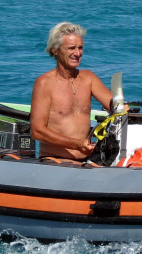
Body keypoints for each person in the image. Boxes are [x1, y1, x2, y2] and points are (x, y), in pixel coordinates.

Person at [31, 22, 112, 160]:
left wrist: (122, 107)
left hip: (87, 160)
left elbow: (117, 107)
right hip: (55, 159)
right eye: (71, 48)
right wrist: (77, 144)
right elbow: (37, 131)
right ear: (55, 50)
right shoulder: (44, 83)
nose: (77, 53)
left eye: (80, 48)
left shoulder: (89, 78)